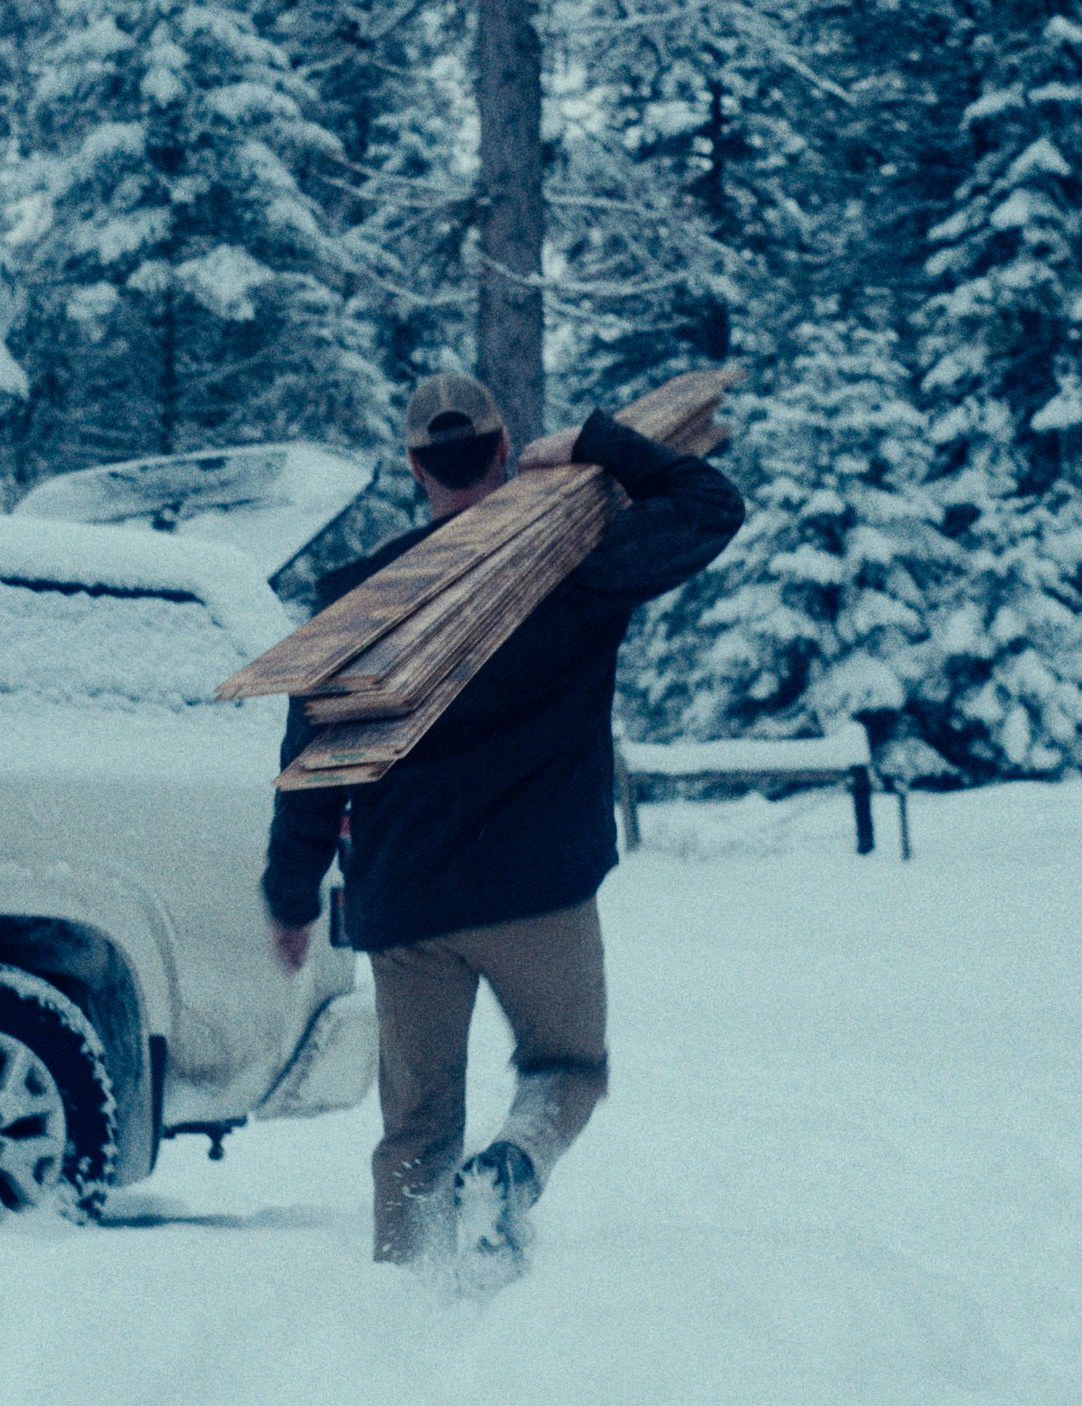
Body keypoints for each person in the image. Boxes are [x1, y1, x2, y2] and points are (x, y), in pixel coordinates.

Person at [260, 372, 744, 1265]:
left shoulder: (364, 603)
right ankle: (513, 1167)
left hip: (407, 906)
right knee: (567, 1069)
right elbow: (710, 505)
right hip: (539, 894)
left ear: (416, 468)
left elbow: (311, 775)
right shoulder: (569, 564)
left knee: (416, 1130)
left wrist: (291, 899)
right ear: (505, 449)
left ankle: (408, 1300)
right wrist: (599, 443)